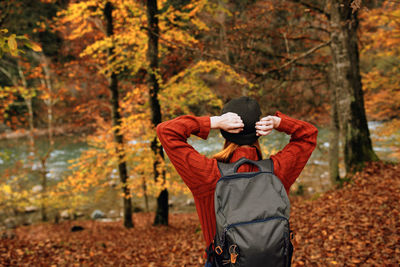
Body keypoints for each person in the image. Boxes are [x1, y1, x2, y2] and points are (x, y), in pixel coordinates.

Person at [156, 96, 318, 264]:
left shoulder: (208, 175)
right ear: (259, 131)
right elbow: (308, 134)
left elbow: (166, 131)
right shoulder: (277, 170)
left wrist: (213, 122)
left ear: (225, 131)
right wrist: (278, 122)